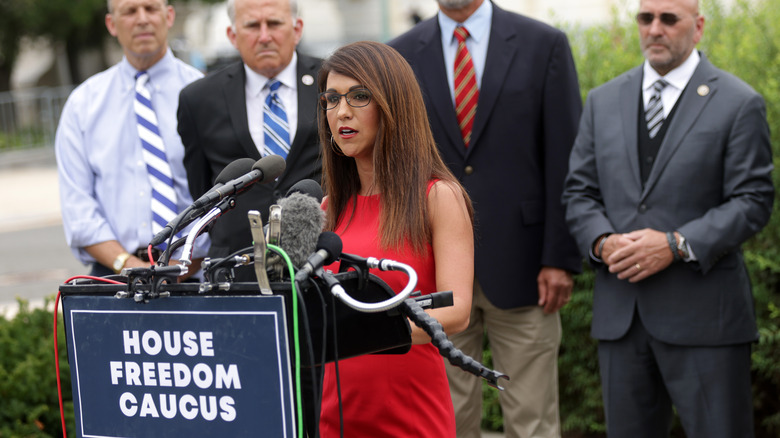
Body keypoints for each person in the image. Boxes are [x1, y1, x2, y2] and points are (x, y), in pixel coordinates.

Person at [562, 0, 774, 435]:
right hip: (621, 317)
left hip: (706, 320)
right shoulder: (603, 101)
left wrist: (676, 244)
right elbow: (579, 192)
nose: (655, 29)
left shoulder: (738, 101)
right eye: (646, 18)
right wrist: (603, 242)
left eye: (668, 19)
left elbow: (753, 200)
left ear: (697, 28)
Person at [389, 1, 582, 436]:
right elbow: (393, 163)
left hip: (527, 265)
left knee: (532, 419)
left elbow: (566, 158)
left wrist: (560, 257)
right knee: (447, 420)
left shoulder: (543, 45)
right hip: (431, 268)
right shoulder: (397, 55)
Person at [316, 41, 474, 437]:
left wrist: (359, 329)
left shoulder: (438, 196)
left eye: (360, 96)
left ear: (393, 104)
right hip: (333, 412)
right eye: (331, 99)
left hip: (409, 413)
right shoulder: (326, 208)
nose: (342, 112)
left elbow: (457, 312)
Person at [56, 0, 208, 278]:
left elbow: (221, 191)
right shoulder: (83, 105)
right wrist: (129, 267)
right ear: (112, 24)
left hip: (197, 275)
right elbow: (79, 208)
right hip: (113, 276)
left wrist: (185, 266)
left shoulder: (206, 94)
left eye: (150, 8)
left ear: (169, 16)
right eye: (129, 11)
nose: (142, 19)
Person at [177, 0, 322, 281]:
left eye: (275, 23)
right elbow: (201, 189)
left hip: (321, 264)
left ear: (297, 28)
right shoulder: (197, 99)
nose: (265, 36)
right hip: (235, 270)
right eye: (253, 25)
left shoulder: (332, 82)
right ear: (233, 35)